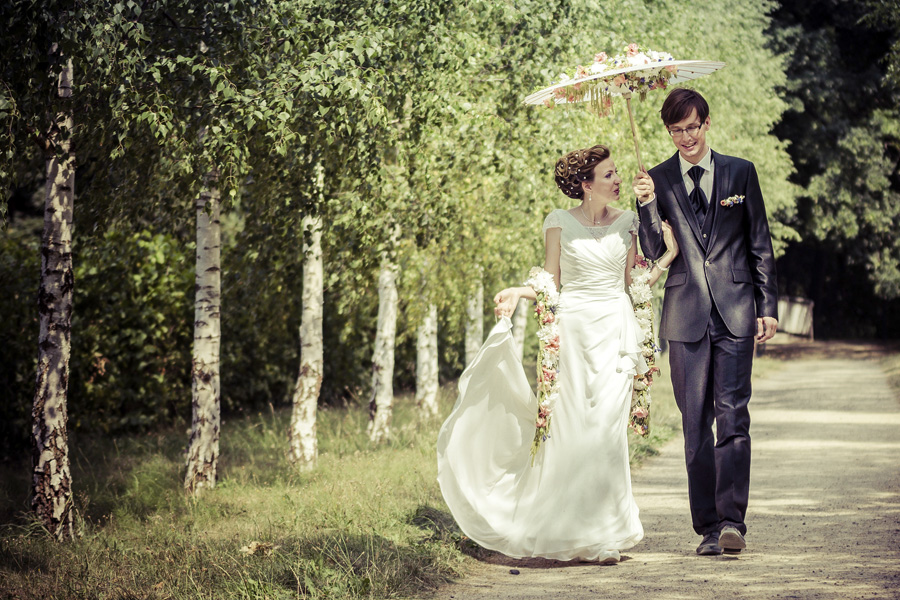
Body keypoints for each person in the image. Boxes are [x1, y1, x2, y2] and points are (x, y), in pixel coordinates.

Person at [437, 144, 678, 564]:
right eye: (608, 175)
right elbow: (551, 281)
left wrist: (668, 257)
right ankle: (570, 527)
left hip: (616, 337)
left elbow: (633, 284)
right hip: (573, 334)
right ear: (586, 185)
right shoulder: (559, 222)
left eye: (617, 172)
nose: (618, 179)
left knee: (606, 430)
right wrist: (517, 292)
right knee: (573, 431)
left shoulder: (630, 222)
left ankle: (605, 533)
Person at [632, 88, 778, 557]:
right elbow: (654, 252)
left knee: (733, 417)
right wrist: (646, 206)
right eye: (676, 130)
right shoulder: (656, 179)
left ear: (706, 123)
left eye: (692, 127)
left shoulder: (741, 172)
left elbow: (759, 243)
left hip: (736, 312)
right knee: (695, 426)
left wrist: (766, 306)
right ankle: (708, 528)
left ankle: (734, 521)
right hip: (685, 316)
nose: (685, 138)